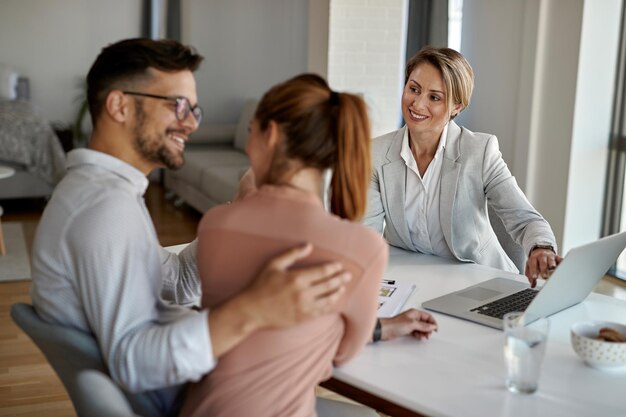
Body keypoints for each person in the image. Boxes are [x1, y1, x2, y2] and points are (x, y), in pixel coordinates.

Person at [29, 38, 434, 417]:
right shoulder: (103, 210)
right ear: (119, 106)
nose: (190, 125)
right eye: (177, 105)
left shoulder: (101, 196)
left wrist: (236, 214)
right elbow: (135, 364)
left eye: (193, 110)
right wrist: (253, 309)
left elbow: (167, 281)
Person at [180, 74, 436, 417]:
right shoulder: (363, 248)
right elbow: (340, 354)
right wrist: (370, 327)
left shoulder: (214, 225)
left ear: (268, 135)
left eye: (252, 129)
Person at [364, 46, 561, 288]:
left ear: (457, 107)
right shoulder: (375, 154)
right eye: (413, 89)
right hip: (408, 283)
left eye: (434, 97)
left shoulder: (480, 152)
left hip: (481, 284)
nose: (417, 103)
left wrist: (541, 249)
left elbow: (525, 220)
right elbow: (366, 240)